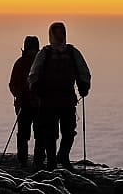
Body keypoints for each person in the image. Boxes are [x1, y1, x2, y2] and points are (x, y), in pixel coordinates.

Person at [27, 21, 91, 170]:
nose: (59, 35)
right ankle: (52, 161)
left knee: (68, 131)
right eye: (57, 33)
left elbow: (83, 71)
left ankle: (62, 156)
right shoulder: (46, 53)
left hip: (65, 99)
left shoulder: (71, 52)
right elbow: (34, 74)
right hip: (49, 99)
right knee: (51, 133)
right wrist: (35, 87)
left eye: (61, 32)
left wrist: (84, 85)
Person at [8, 35, 42, 167]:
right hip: (25, 104)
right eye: (31, 48)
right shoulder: (23, 63)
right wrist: (21, 95)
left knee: (38, 134)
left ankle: (36, 160)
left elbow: (12, 85)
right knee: (25, 134)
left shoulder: (26, 63)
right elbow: (13, 84)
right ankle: (24, 160)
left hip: (36, 104)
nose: (32, 51)